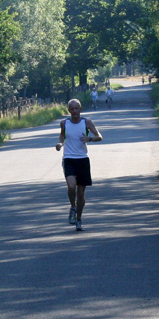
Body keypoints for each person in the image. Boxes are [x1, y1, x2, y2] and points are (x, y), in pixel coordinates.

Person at [55, 98, 102, 231]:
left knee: (81, 193)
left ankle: (79, 219)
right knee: (71, 186)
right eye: (72, 109)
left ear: (80, 109)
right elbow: (62, 136)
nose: (75, 111)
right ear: (68, 110)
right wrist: (59, 144)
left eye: (77, 108)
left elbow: (99, 136)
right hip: (69, 158)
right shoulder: (64, 123)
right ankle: (73, 207)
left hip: (82, 159)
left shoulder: (86, 122)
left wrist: (90, 139)